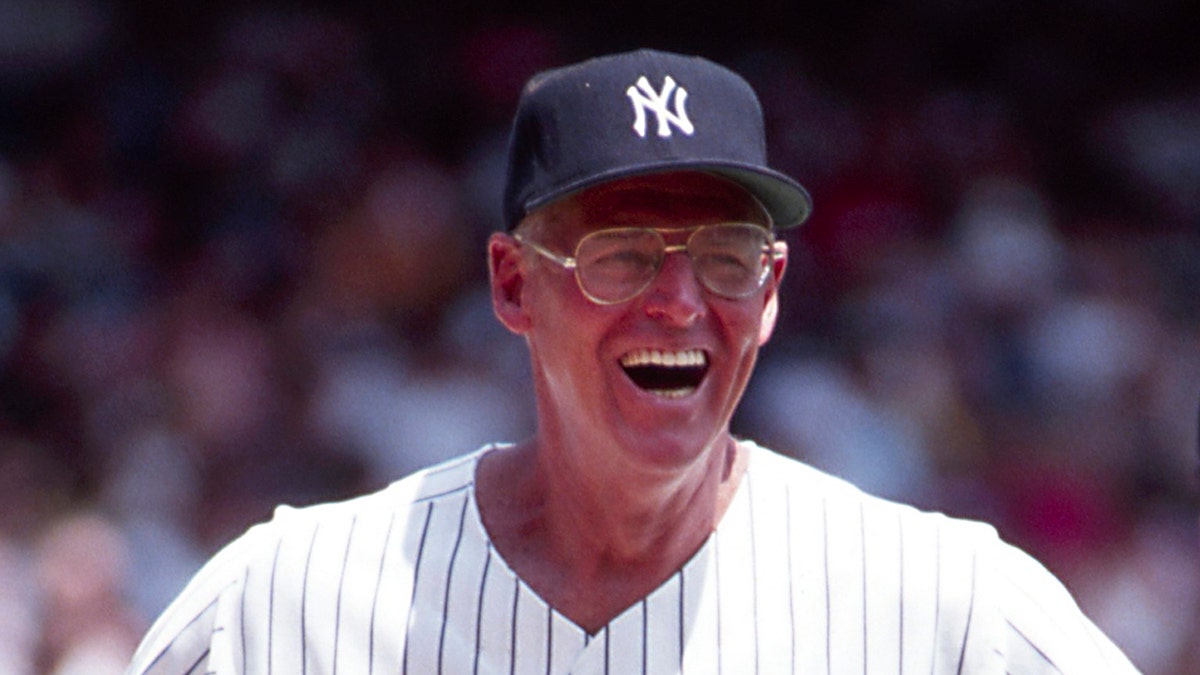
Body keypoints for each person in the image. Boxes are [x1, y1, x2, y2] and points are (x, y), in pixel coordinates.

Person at [125, 49, 1138, 674]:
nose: (681, 302)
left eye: (727, 259)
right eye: (620, 255)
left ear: (774, 291)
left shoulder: (946, 607)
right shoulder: (286, 602)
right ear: (515, 285)